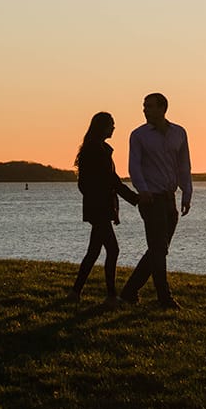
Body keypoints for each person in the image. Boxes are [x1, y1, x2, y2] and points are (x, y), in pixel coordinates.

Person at [121, 92, 192, 307]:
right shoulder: (139, 135)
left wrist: (187, 192)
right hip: (151, 199)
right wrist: (142, 190)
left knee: (159, 249)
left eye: (149, 106)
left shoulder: (179, 133)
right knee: (158, 248)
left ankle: (129, 292)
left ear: (163, 108)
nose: (145, 110)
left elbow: (183, 165)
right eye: (144, 106)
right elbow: (134, 165)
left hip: (170, 198)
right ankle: (164, 298)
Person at [71, 111, 137, 302]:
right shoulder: (96, 151)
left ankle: (76, 292)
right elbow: (111, 182)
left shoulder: (99, 149)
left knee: (93, 252)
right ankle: (110, 295)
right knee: (113, 250)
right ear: (103, 127)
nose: (114, 128)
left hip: (99, 208)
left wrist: (113, 210)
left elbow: (106, 183)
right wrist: (135, 199)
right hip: (99, 208)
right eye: (111, 124)